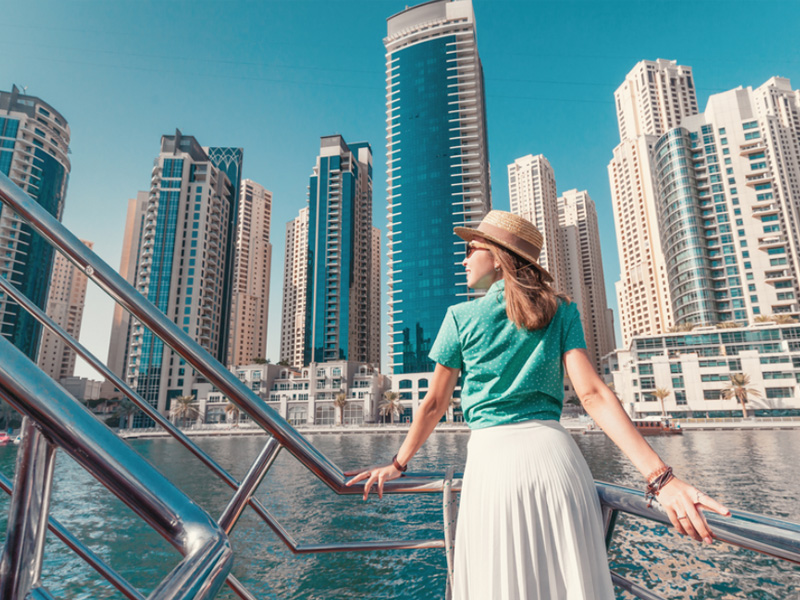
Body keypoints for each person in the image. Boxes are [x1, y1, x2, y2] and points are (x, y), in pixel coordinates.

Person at [347, 210, 730, 599]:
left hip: (494, 471)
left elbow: (433, 404)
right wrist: (661, 479)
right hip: (559, 464)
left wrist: (397, 465)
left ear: (497, 256)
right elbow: (593, 394)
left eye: (469, 248)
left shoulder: (460, 317)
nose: (462, 258)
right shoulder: (561, 310)